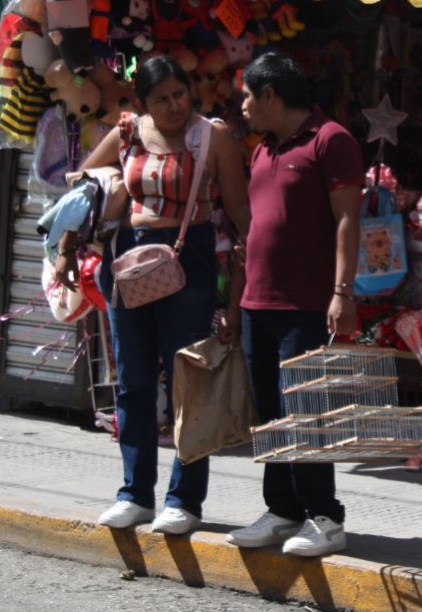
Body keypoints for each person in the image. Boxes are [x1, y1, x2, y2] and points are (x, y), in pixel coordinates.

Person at [56, 55, 250, 534]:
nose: (172, 107)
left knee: (189, 383)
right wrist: (66, 249)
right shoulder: (126, 131)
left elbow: (241, 212)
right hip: (127, 261)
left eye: (179, 94)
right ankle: (135, 494)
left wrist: (243, 288)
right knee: (135, 381)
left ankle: (184, 500)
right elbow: (83, 189)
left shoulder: (213, 136)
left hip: (191, 260)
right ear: (143, 102)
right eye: (160, 99)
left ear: (191, 91)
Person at [228, 51, 362, 557]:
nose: (242, 106)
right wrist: (235, 300)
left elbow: (348, 219)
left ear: (270, 97)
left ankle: (324, 517)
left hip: (305, 303)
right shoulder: (262, 149)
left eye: (247, 96)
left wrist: (341, 292)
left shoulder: (331, 140)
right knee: (270, 414)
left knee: (305, 411)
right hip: (257, 301)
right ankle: (282, 508)